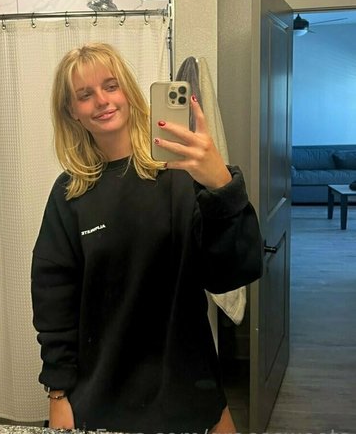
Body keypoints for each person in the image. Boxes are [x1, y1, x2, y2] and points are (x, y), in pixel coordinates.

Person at [31, 42, 263, 434]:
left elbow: (233, 272)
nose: (102, 101)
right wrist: (58, 394)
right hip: (102, 396)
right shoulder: (70, 194)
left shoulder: (180, 175)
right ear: (72, 111)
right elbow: (54, 300)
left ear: (128, 92)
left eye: (111, 86)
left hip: (188, 390)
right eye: (85, 95)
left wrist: (221, 186)